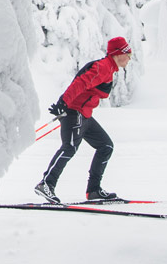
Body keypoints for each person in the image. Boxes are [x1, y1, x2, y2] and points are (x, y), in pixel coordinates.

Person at [34, 36, 133, 204]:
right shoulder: (102, 67)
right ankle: (46, 184)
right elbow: (80, 83)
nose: (130, 57)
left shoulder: (109, 68)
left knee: (106, 146)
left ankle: (94, 190)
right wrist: (63, 103)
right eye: (127, 53)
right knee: (69, 148)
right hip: (74, 112)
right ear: (118, 54)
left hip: (84, 114)